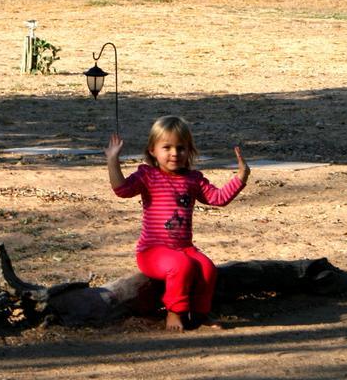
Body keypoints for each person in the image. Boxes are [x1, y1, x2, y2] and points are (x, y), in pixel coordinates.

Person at [105, 115, 250, 331]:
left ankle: (200, 314)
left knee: (207, 268)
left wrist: (240, 177)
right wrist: (112, 160)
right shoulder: (148, 176)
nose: (175, 153)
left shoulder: (193, 179)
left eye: (181, 148)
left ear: (189, 151)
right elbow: (122, 189)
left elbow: (217, 198)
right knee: (180, 265)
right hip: (152, 251)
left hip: (184, 248)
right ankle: (175, 311)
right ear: (153, 150)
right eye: (167, 147)